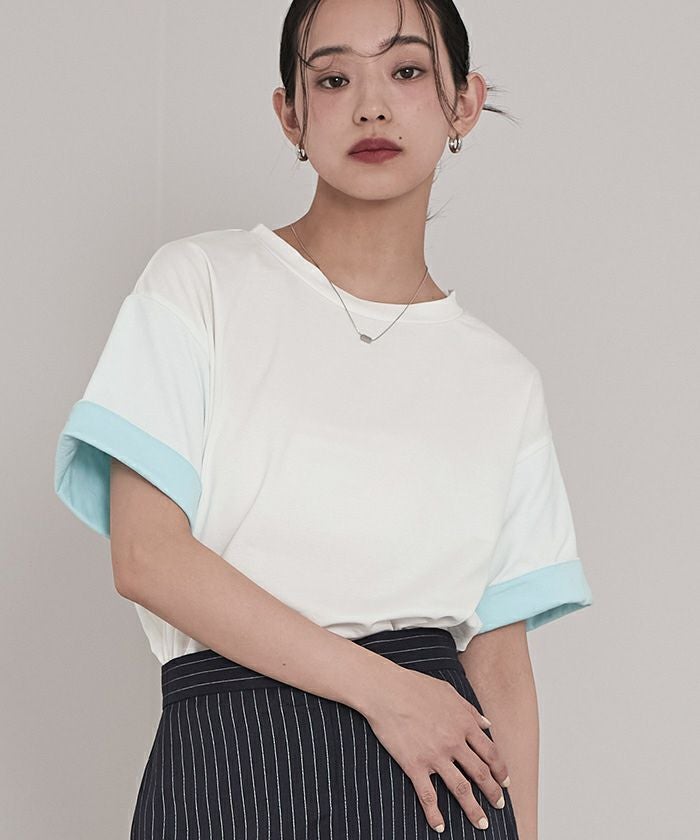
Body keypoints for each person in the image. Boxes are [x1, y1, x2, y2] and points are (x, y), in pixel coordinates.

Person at [53, 0, 594, 837]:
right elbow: (148, 556)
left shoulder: (503, 383)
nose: (371, 105)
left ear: (464, 103)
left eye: (406, 71)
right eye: (334, 79)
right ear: (291, 115)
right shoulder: (200, 285)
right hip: (228, 766)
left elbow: (500, 663)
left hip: (434, 792)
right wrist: (386, 693)